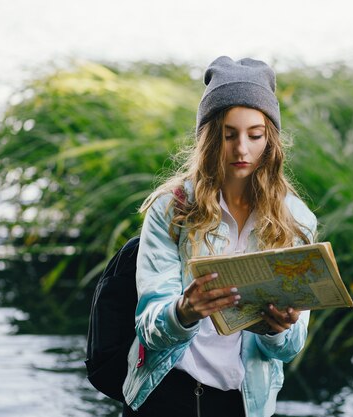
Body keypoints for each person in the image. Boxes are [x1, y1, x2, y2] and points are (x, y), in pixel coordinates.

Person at [121, 56, 317, 417]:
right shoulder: (171, 210)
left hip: (241, 403)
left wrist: (279, 330)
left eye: (255, 135)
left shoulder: (297, 220)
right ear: (211, 138)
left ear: (270, 140)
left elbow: (288, 350)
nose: (242, 149)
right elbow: (148, 326)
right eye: (229, 135)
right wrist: (184, 312)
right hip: (165, 394)